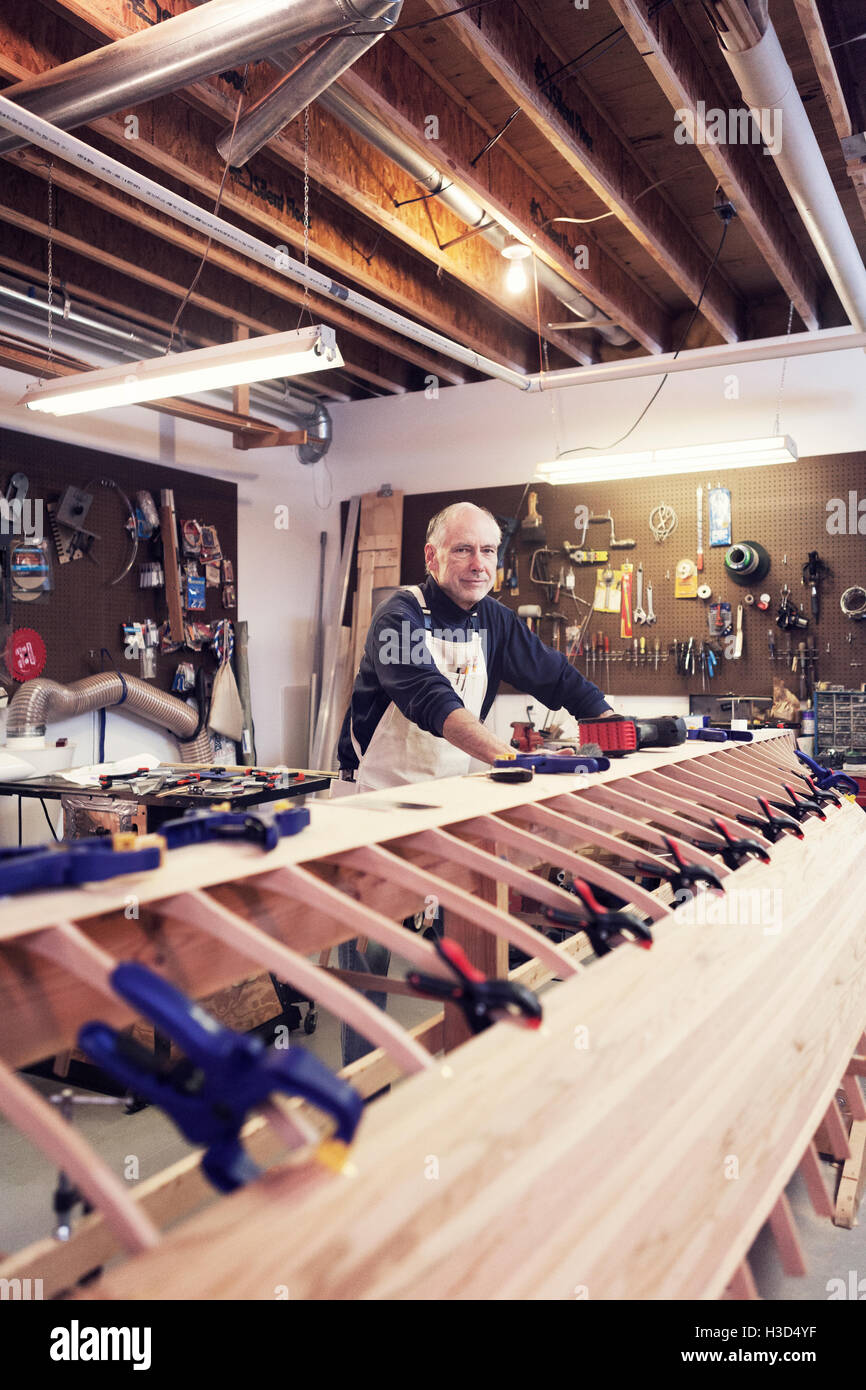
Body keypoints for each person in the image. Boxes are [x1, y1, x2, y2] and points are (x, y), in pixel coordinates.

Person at [334, 500, 614, 1063]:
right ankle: (365, 1089)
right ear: (432, 556)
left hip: (450, 795)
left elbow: (555, 676)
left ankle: (471, 1068)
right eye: (463, 550)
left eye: (487, 551)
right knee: (371, 955)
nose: (477, 564)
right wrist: (506, 756)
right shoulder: (398, 617)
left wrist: (612, 723)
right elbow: (427, 697)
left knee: (464, 931)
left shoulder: (496, 620)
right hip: (377, 800)